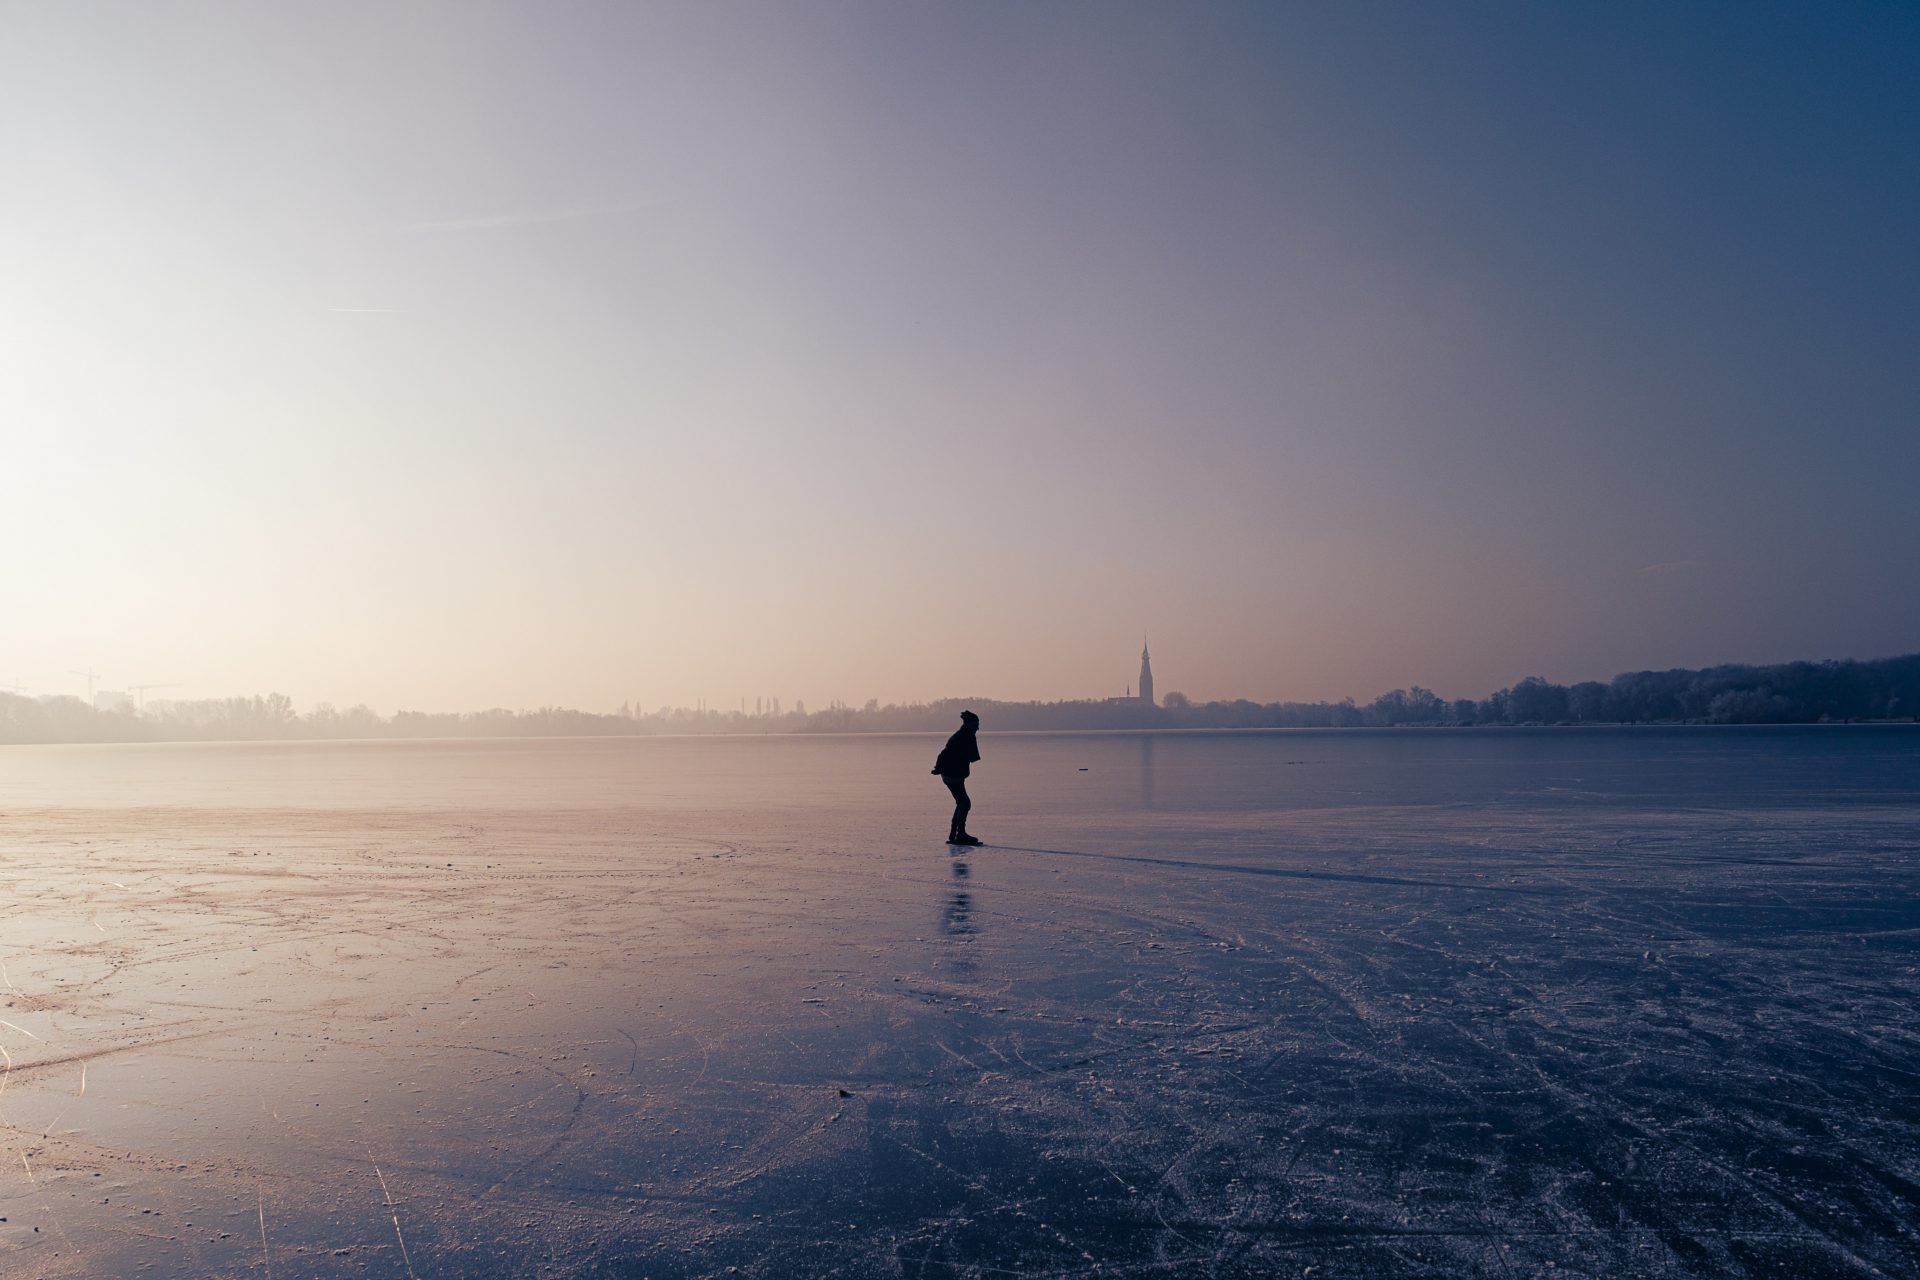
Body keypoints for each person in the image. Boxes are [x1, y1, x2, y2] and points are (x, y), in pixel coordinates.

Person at [931, 710, 982, 846]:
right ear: (969, 724)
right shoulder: (966, 736)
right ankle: (960, 835)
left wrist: (938, 768)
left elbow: (946, 753)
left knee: (962, 802)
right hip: (952, 775)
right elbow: (972, 757)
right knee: (964, 803)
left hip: (951, 774)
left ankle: (955, 834)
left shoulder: (962, 735)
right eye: (976, 724)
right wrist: (939, 768)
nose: (978, 728)